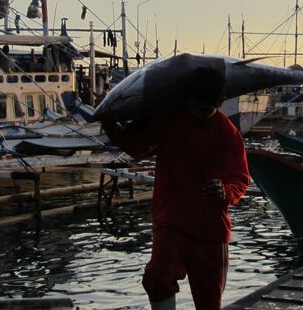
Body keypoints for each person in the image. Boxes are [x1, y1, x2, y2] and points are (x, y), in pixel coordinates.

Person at [102, 68, 249, 310]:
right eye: (194, 107)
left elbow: (240, 178)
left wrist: (225, 191)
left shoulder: (228, 134)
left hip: (210, 230)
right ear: (186, 98)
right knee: (157, 278)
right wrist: (108, 122)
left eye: (206, 110)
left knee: (209, 301)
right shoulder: (169, 119)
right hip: (171, 221)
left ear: (220, 103)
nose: (199, 114)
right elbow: (135, 145)